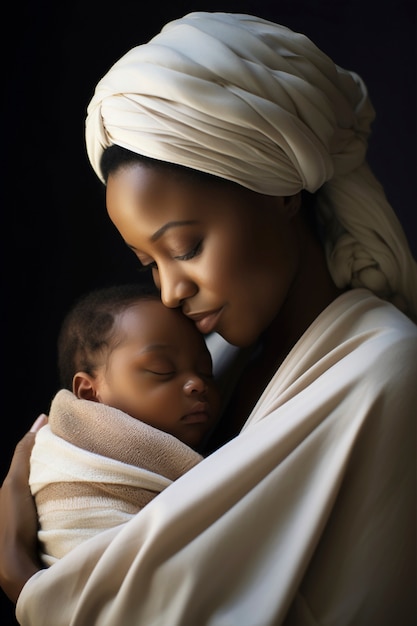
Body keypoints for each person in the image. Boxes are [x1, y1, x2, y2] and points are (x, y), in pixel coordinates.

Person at [1, 11, 416, 626]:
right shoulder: (219, 360)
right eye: (149, 264)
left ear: (279, 190)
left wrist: (21, 573)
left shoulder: (389, 371)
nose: (170, 293)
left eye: (187, 247)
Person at [29, 282, 220, 565]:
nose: (197, 384)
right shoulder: (70, 466)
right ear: (90, 393)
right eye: (162, 370)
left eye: (206, 371)